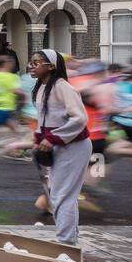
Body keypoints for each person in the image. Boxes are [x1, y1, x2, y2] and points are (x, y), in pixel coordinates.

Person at [28, 49, 91, 245]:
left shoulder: (63, 87)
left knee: (62, 195)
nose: (31, 66)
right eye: (31, 62)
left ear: (51, 66)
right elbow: (43, 120)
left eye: (36, 63)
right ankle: (69, 238)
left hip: (74, 146)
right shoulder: (41, 88)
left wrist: (53, 138)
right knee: (59, 193)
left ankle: (66, 243)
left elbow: (80, 118)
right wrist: (39, 139)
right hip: (59, 146)